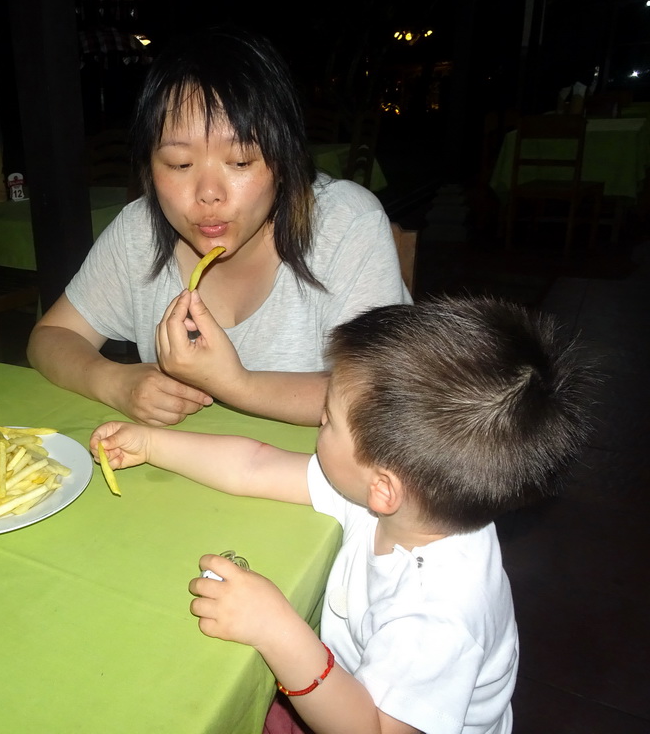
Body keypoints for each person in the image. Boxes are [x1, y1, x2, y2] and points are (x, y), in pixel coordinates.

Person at [90, 297, 593, 734]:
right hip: (356, 684)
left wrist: (276, 629)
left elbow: (369, 728)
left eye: (327, 420)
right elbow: (255, 466)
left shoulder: (438, 617)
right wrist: (153, 443)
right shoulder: (410, 503)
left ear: (383, 488)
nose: (317, 421)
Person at [27, 26, 409, 428]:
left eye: (241, 161)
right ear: (148, 168)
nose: (208, 194)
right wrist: (114, 381)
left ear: (284, 160)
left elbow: (382, 394)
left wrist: (237, 384)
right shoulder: (138, 232)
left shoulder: (345, 225)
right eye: (178, 164)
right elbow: (50, 337)